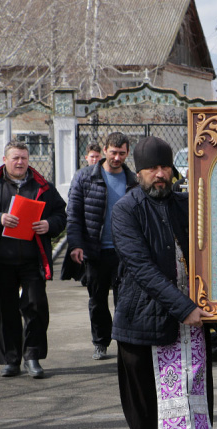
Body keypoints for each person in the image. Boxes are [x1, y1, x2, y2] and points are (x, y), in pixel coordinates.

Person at [111, 136, 216, 429]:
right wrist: (181, 306)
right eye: (152, 169)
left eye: (165, 168)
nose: (160, 175)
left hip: (189, 324)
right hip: (140, 318)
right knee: (143, 400)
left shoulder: (187, 205)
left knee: (188, 397)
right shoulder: (125, 210)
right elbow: (140, 268)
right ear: (137, 172)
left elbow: (213, 250)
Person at [0, 140, 66, 379]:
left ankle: (33, 357)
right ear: (5, 160)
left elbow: (61, 214)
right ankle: (11, 359)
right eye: (15, 158)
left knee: (36, 307)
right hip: (0, 260)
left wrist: (49, 224)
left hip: (32, 259)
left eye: (24, 158)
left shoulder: (43, 187)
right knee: (4, 310)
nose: (20, 162)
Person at [61, 132, 137, 360]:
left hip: (124, 253)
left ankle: (125, 342)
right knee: (97, 301)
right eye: (113, 152)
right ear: (104, 151)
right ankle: (101, 342)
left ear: (127, 153)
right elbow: (73, 215)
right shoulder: (85, 177)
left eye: (122, 153)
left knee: (125, 300)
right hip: (95, 251)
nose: (117, 157)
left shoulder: (132, 180)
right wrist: (76, 244)